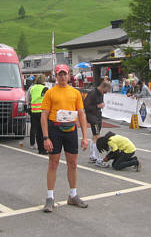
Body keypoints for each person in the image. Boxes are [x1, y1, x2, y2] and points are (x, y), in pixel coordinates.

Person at [41, 64, 89, 213]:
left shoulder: (75, 93)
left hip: (71, 130)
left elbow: (81, 114)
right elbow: (44, 115)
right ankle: (50, 198)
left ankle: (73, 195)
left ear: (69, 76)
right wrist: (46, 137)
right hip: (55, 129)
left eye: (65, 74)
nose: (62, 77)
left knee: (73, 164)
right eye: (59, 74)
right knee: (53, 163)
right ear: (56, 76)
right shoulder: (50, 93)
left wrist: (85, 137)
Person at [84, 80, 111, 167]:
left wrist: (101, 105)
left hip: (98, 116)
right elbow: (86, 106)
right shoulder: (92, 93)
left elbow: (99, 104)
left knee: (95, 136)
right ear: (102, 87)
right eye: (105, 91)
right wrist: (97, 106)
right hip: (93, 117)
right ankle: (98, 160)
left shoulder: (100, 93)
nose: (105, 93)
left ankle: (93, 156)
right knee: (97, 137)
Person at [29, 75, 48, 154]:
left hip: (34, 112)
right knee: (43, 131)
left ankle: (40, 149)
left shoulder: (32, 88)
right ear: (43, 81)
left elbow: (30, 98)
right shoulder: (45, 89)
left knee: (37, 131)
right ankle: (43, 149)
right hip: (42, 112)